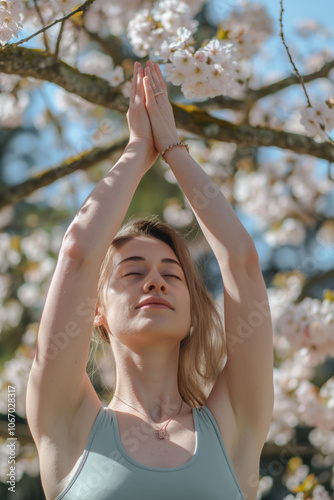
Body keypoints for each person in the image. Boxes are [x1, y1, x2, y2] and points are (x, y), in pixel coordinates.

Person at [26, 60, 274, 500]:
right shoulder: (66, 423)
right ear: (95, 310)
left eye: (171, 275)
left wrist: (175, 147)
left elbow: (241, 262)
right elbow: (78, 252)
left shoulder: (234, 424)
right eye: (133, 271)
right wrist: (138, 149)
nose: (155, 282)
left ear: (193, 311)